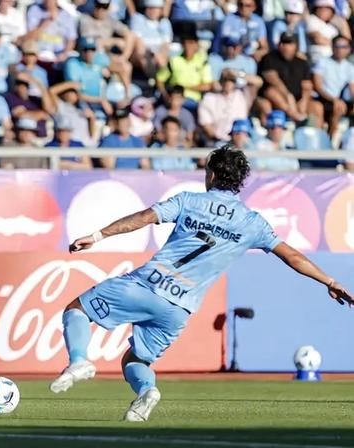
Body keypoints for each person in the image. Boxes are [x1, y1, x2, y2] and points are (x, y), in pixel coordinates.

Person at [50, 146, 353, 422]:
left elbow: (143, 218)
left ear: (210, 174)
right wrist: (329, 280)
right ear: (239, 181)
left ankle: (78, 361)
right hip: (179, 310)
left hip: (146, 285)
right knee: (135, 359)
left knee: (77, 309)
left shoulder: (189, 201)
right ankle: (146, 392)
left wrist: (98, 235)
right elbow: (292, 256)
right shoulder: (253, 223)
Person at [312, 36, 354, 138]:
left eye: (344, 47)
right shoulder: (322, 62)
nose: (340, 49)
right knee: (337, 107)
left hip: (340, 101)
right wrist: (334, 100)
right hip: (324, 98)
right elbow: (317, 86)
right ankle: (329, 140)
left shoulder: (349, 67)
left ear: (349, 49)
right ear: (332, 47)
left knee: (342, 106)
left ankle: (346, 141)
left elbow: (352, 89)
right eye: (338, 46)